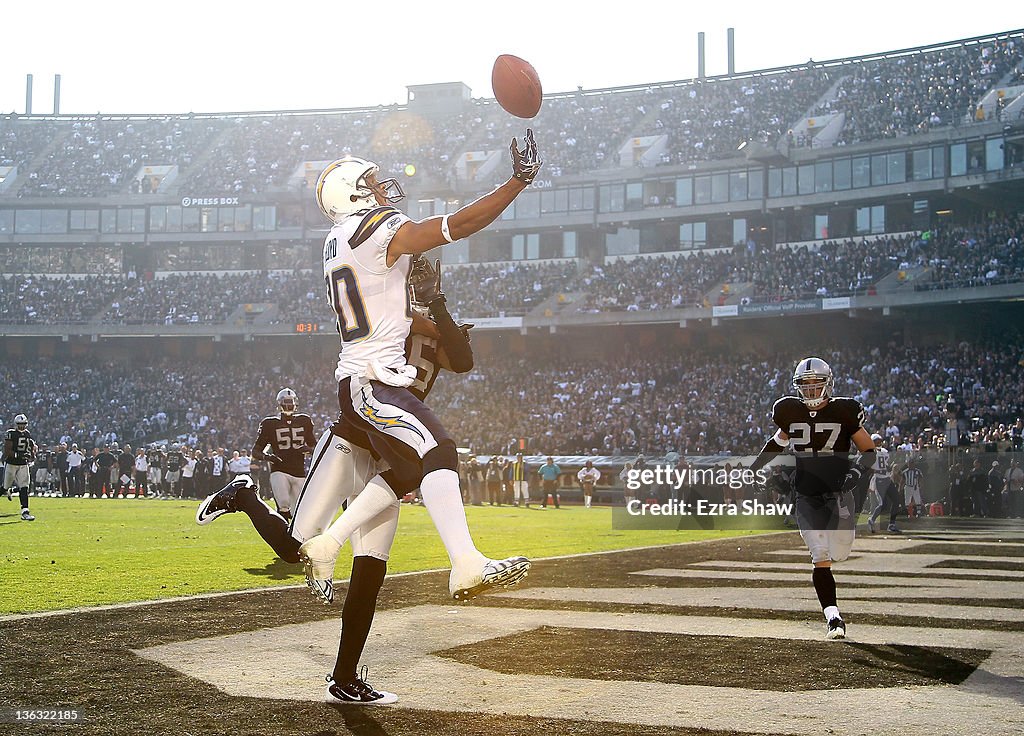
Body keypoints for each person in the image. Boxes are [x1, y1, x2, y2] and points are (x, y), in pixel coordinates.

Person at [197, 257, 477, 705]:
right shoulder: (381, 320)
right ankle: (246, 497)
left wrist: (436, 305)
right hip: (352, 440)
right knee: (296, 550)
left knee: (370, 571)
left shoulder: (430, 321)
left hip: (391, 447)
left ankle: (344, 677)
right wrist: (419, 311)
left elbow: (461, 360)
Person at [299, 136, 540, 617]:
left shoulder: (337, 239)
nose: (383, 187)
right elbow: (458, 225)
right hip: (372, 379)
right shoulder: (374, 226)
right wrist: (517, 182)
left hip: (366, 375)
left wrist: (430, 307)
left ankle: (327, 545)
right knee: (440, 450)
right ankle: (466, 564)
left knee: (409, 469)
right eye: (371, 181)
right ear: (354, 193)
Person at [750, 357, 876, 640]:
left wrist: (855, 474)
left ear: (827, 384)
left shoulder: (845, 410)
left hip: (838, 493)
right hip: (806, 493)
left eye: (815, 384)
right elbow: (778, 441)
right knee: (820, 556)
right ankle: (833, 617)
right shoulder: (789, 410)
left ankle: (833, 608)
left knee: (840, 552)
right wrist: (756, 467)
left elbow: (869, 451)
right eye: (804, 386)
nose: (809, 391)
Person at [249, 389, 316, 521]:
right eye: (286, 402)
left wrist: (307, 449)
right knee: (284, 504)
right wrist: (268, 457)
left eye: (291, 402)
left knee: (299, 509)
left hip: (299, 471)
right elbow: (255, 451)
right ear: (280, 404)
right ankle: (281, 534)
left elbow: (315, 446)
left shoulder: (305, 420)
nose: (289, 405)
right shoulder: (269, 423)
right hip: (279, 470)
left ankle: (296, 537)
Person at [3, 414, 37, 520]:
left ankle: (25, 511)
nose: (22, 426)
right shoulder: (11, 433)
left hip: (23, 464)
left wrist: (32, 454)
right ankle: (8, 490)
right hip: (12, 463)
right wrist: (19, 455)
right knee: (5, 487)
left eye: (23, 424)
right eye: (20, 424)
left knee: (24, 487)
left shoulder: (27, 434)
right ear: (16, 424)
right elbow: (7, 450)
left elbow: (31, 446)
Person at [867, 433, 901, 533]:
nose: (879, 443)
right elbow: (869, 468)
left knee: (896, 500)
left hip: (887, 479)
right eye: (876, 441)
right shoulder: (870, 453)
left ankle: (891, 524)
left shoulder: (884, 452)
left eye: (879, 441)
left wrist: (891, 468)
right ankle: (871, 520)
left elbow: (885, 466)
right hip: (879, 480)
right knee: (882, 504)